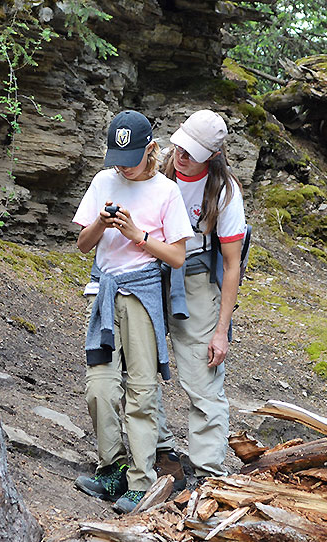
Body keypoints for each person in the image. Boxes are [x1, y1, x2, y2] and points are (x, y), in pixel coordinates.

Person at [72, 110, 194, 513]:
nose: (123, 167)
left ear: (150, 151)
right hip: (103, 291)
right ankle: (111, 468)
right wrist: (103, 226)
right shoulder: (103, 181)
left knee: (141, 391)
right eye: (117, 159)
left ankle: (141, 482)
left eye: (131, 159)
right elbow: (82, 245)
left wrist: (137, 236)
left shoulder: (165, 192)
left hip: (141, 295)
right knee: (100, 387)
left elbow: (177, 256)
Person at [156, 109, 247, 482]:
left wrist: (221, 331)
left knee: (202, 376)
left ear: (213, 154)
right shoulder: (159, 166)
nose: (183, 155)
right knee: (140, 366)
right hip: (150, 270)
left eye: (193, 151)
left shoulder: (224, 193)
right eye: (182, 145)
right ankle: (160, 453)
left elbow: (231, 265)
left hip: (195, 281)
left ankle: (208, 473)